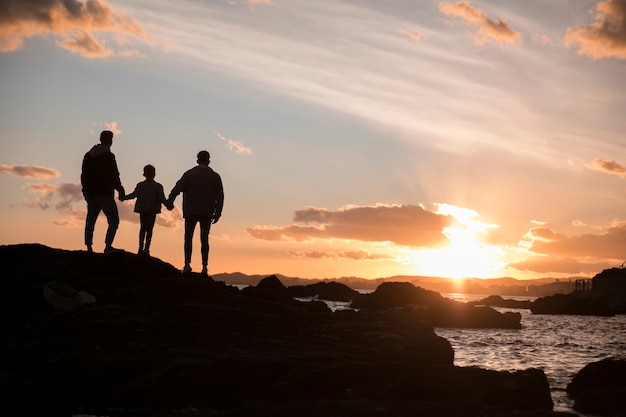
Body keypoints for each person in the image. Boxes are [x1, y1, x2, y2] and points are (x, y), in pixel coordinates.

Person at [167, 150, 224, 275]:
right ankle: (204, 267)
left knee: (188, 237)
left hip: (191, 210)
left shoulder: (189, 174)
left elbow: (177, 187)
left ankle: (187, 264)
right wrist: (218, 212)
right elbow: (220, 196)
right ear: (209, 161)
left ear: (197, 160)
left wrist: (170, 201)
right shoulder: (215, 176)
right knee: (204, 239)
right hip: (207, 211)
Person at [81, 130, 125, 254]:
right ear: (110, 140)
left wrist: (85, 191)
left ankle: (89, 247)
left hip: (91, 193)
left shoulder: (88, 155)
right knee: (114, 220)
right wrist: (120, 189)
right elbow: (114, 175)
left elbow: (84, 175)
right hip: (105, 192)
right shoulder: (109, 156)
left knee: (90, 220)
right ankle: (108, 246)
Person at [121, 164, 171, 256]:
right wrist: (168, 205)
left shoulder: (141, 185)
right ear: (154, 174)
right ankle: (147, 248)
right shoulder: (158, 186)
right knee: (149, 229)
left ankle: (141, 247)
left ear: (144, 174)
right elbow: (162, 198)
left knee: (143, 228)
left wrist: (124, 197)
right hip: (152, 209)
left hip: (143, 208)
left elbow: (134, 194)